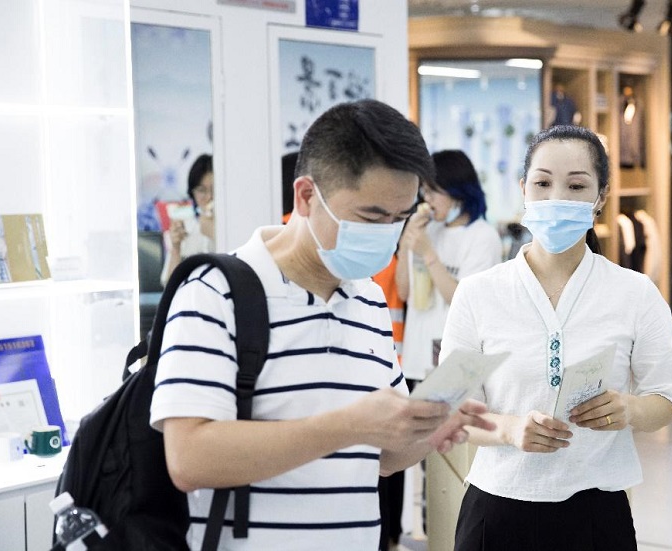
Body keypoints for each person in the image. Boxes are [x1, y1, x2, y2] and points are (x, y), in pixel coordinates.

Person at [149, 99, 493, 551]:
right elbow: (189, 458)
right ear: (307, 196)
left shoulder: (368, 298)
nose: (387, 233)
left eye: (400, 217)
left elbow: (384, 459)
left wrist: (430, 430)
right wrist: (347, 426)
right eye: (371, 216)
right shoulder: (216, 291)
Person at [441, 125, 672, 551]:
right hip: (497, 510)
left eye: (576, 185)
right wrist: (507, 428)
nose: (557, 197)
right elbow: (450, 407)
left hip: (596, 511)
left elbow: (667, 398)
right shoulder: (479, 293)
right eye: (542, 183)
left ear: (601, 197)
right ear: (523, 189)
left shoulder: (634, 293)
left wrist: (628, 409)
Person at [393, 150, 503, 548]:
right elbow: (404, 293)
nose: (428, 199)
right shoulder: (428, 231)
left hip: (453, 360)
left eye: (434, 190)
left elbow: (463, 301)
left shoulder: (483, 237)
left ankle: (446, 526)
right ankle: (413, 527)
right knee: (412, 444)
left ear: (458, 192)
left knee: (448, 448)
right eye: (425, 190)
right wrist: (409, 245)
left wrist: (426, 252)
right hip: (417, 353)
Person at [161, 153, 215, 286]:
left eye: (214, 190)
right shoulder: (185, 224)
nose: (209, 197)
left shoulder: (231, 223)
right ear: (192, 193)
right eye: (202, 190)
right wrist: (176, 248)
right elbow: (169, 284)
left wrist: (214, 232)